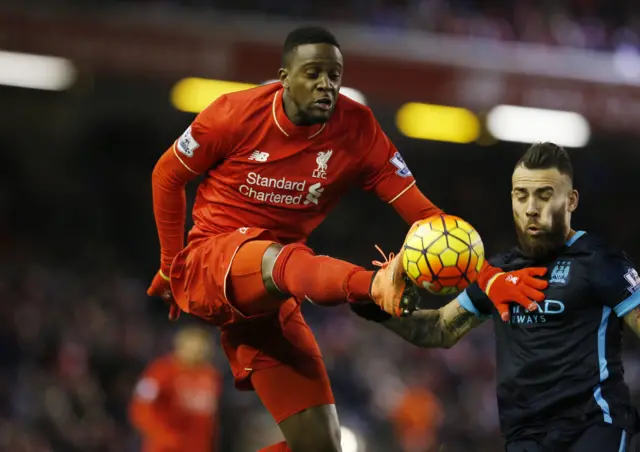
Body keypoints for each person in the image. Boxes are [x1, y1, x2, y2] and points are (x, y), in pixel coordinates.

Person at [146, 26, 547, 452]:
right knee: (279, 259)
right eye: (313, 73)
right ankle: (373, 283)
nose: (326, 85)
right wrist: (172, 266)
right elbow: (167, 176)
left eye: (334, 75)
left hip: (276, 290)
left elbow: (428, 218)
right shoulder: (233, 113)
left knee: (322, 445)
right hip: (214, 259)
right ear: (284, 76)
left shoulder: (357, 130)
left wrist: (487, 277)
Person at [351, 142, 640, 451]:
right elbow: (439, 329)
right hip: (525, 435)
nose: (531, 207)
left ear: (571, 201)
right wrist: (374, 305)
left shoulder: (600, 262)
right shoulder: (498, 274)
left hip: (594, 426)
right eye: (521, 195)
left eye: (544, 195)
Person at [129, 326, 222, 452]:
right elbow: (140, 408)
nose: (199, 352)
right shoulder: (160, 371)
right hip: (166, 447)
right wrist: (162, 435)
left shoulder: (210, 375)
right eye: (194, 347)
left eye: (202, 348)